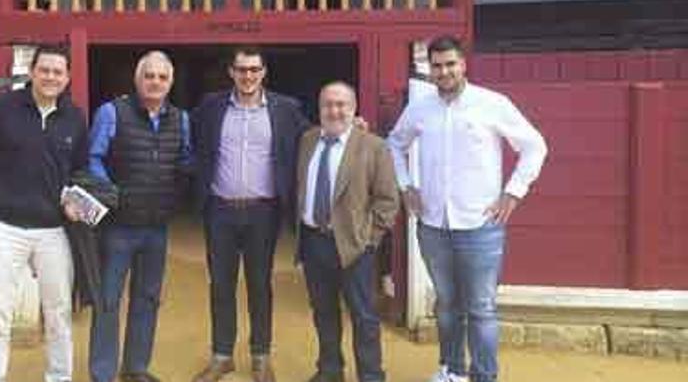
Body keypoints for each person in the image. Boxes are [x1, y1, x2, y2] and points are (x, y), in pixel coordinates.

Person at [387, 36, 548, 382]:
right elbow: (394, 144)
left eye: (450, 64)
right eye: (437, 66)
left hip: (480, 224)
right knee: (446, 306)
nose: (444, 71)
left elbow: (535, 146)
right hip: (433, 224)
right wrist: (405, 186)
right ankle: (453, 371)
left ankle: (484, 376)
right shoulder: (420, 108)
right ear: (429, 69)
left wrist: (513, 193)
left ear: (464, 65)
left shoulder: (492, 103)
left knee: (481, 309)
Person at [0, 46, 88, 382]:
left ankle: (59, 377)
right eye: (44, 70)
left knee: (58, 312)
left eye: (58, 72)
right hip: (2, 226)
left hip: (53, 230)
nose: (50, 77)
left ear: (67, 77)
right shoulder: (1, 108)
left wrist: (76, 201)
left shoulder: (75, 117)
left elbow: (80, 171)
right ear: (32, 72)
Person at [191, 47, 310, 382]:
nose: (248, 76)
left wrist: (351, 125)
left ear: (264, 72)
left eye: (254, 70)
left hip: (263, 212)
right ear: (231, 72)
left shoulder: (286, 109)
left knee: (260, 284)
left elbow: (313, 138)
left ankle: (260, 356)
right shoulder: (210, 108)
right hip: (220, 210)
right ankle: (222, 356)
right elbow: (192, 144)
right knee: (221, 285)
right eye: (241, 70)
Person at [87, 50, 191, 382]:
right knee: (108, 300)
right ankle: (103, 373)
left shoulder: (181, 119)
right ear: (137, 79)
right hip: (118, 227)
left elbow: (185, 161)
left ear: (171, 82)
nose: (155, 82)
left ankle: (136, 368)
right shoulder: (111, 112)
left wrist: (176, 194)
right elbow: (94, 158)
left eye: (162, 77)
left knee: (147, 298)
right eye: (150, 76)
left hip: (156, 227)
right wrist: (114, 196)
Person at [295, 82, 399, 382]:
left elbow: (388, 200)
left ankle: (371, 375)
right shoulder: (308, 140)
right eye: (328, 104)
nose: (334, 110)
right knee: (323, 311)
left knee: (363, 316)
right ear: (319, 108)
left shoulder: (373, 146)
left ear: (354, 109)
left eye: (341, 104)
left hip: (355, 246)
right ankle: (330, 369)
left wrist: (369, 240)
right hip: (314, 241)